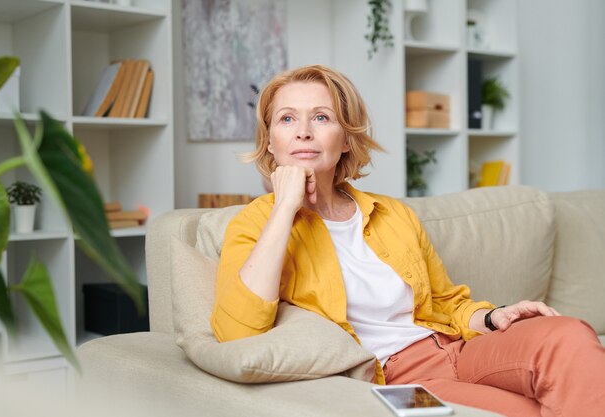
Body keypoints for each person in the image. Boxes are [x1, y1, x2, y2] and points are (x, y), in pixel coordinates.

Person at [210, 64, 605, 417]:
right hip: (398, 379)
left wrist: (491, 316)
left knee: (568, 335)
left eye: (321, 116)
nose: (303, 131)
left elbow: (447, 301)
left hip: (455, 347)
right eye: (287, 119)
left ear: (346, 139)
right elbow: (238, 331)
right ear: (270, 142)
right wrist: (285, 208)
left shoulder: (392, 214)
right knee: (530, 411)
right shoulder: (257, 224)